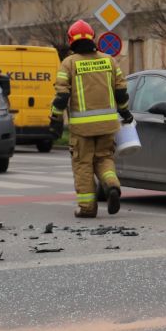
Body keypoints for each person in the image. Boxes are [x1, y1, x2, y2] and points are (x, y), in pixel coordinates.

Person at [49, 20, 132, 218]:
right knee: (104, 159)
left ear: (71, 41)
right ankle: (112, 185)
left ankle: (87, 208)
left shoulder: (68, 63)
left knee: (83, 164)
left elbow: (61, 97)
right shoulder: (109, 60)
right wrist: (125, 112)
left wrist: (55, 120)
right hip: (108, 125)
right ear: (92, 38)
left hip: (81, 130)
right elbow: (121, 91)